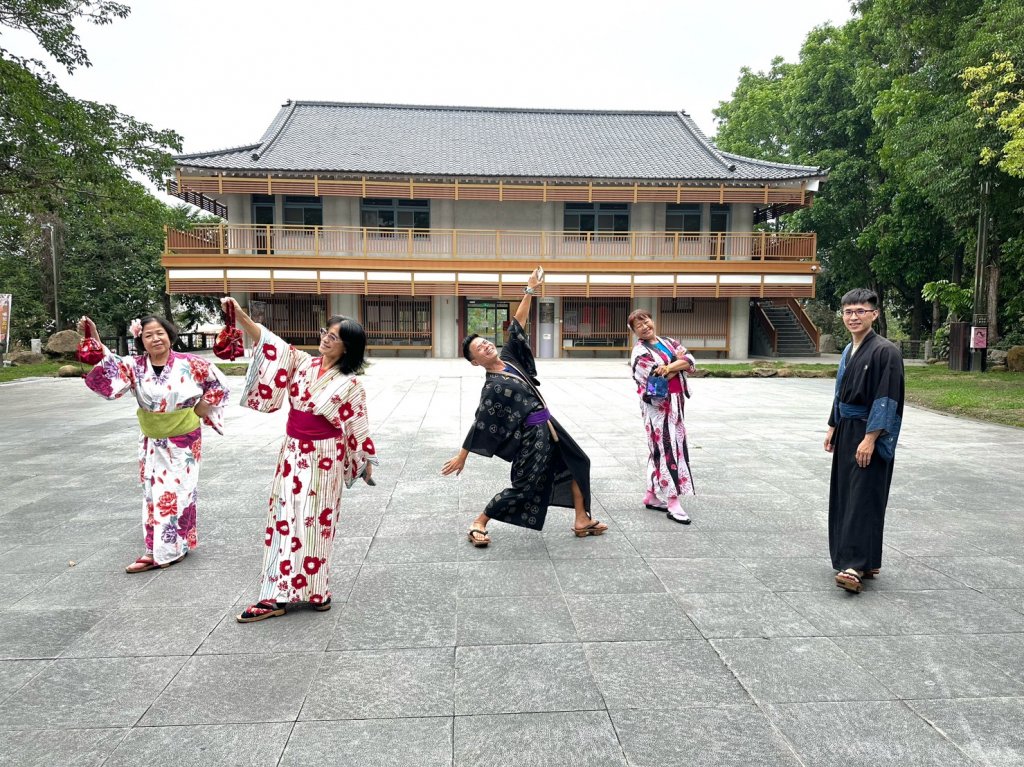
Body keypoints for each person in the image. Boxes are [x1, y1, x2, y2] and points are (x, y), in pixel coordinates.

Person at [226, 298, 377, 623]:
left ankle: (315, 590)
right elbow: (270, 345)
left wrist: (364, 461)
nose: (325, 338)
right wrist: (240, 317)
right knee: (285, 518)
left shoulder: (350, 385)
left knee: (317, 524)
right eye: (326, 331)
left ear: (347, 348)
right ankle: (277, 594)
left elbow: (357, 425)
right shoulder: (302, 363)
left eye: (334, 337)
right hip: (294, 452)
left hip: (326, 459)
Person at [442, 267, 607, 546]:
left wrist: (529, 289)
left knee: (579, 461)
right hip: (533, 436)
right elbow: (480, 421)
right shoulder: (492, 386)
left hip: (551, 425)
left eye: (485, 343)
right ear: (474, 362)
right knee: (526, 487)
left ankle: (581, 518)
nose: (485, 347)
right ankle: (479, 521)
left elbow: (517, 324)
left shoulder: (509, 358)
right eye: (479, 349)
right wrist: (463, 455)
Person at [78, 315, 230, 572]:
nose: (155, 339)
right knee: (153, 493)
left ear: (170, 335)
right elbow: (110, 372)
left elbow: (219, 384)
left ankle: (173, 547)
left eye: (159, 333)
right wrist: (96, 341)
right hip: (151, 439)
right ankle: (158, 548)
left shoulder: (192, 363)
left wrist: (203, 406)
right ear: (141, 340)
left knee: (180, 493)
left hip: (184, 441)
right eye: (148, 335)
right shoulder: (134, 366)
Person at [825, 288, 905, 593]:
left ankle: (855, 566)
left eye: (860, 311)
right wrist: (833, 425)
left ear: (874, 314)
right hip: (847, 428)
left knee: (863, 496)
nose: (853, 317)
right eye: (848, 311)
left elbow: (887, 398)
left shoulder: (886, 351)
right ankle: (865, 558)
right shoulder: (849, 350)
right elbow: (839, 391)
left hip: (868, 431)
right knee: (847, 493)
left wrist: (871, 438)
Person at [627, 309, 697, 524]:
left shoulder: (668, 341)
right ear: (634, 331)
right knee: (667, 449)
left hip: (677, 403)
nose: (645, 326)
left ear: (652, 321)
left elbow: (690, 359)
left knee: (662, 449)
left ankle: (651, 494)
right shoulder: (639, 353)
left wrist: (667, 368)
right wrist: (675, 365)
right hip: (658, 408)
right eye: (639, 325)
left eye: (646, 321)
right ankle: (673, 500)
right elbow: (654, 380)